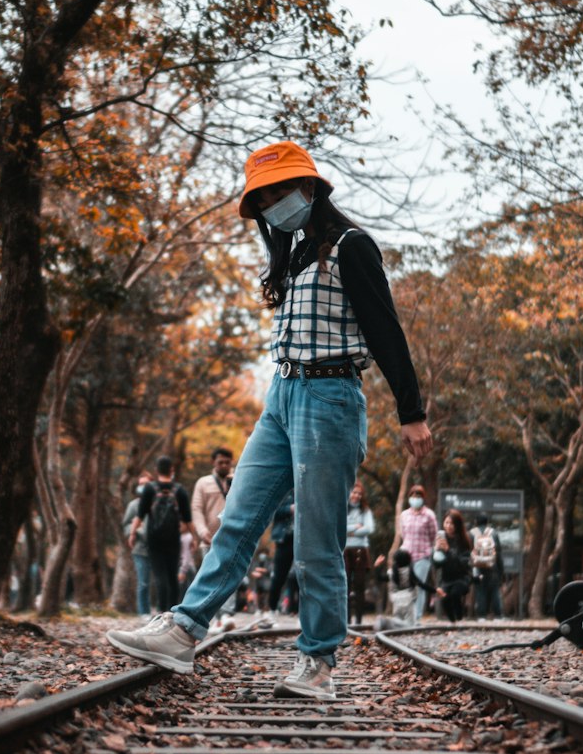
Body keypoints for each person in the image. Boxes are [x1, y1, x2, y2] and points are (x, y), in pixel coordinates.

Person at [106, 138, 432, 699]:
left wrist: (412, 412)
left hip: (330, 399)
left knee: (316, 542)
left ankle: (319, 664)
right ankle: (184, 629)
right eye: (263, 197)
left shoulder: (351, 246)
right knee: (238, 519)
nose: (273, 204)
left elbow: (385, 330)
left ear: (309, 187)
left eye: (279, 190)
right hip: (281, 397)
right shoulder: (294, 252)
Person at [127, 457, 194, 614]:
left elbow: (140, 515)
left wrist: (132, 533)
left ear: (157, 471)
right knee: (172, 576)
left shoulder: (150, 489)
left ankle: (162, 611)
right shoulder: (180, 490)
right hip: (173, 538)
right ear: (172, 470)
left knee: (160, 576)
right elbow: (188, 518)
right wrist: (195, 537)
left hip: (154, 539)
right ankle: (172, 613)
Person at [191, 446, 239, 618]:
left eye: (227, 462)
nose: (224, 465)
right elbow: (196, 508)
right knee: (210, 575)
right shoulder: (203, 483)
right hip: (209, 538)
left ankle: (227, 614)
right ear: (213, 462)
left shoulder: (239, 479)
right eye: (221, 462)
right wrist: (202, 531)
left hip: (231, 536)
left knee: (230, 574)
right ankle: (211, 614)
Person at [380, 484, 439, 623]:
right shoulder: (404, 515)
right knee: (405, 586)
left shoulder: (429, 515)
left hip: (423, 554)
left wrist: (428, 548)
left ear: (423, 498)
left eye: (418, 496)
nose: (415, 498)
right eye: (413, 496)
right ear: (409, 497)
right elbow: (403, 534)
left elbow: (433, 535)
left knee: (419, 586)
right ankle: (404, 615)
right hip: (406, 555)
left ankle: (416, 616)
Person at [121, 472, 153, 614]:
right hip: (140, 549)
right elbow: (126, 525)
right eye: (140, 484)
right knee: (143, 583)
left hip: (159, 548)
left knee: (161, 583)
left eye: (146, 484)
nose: (143, 487)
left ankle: (163, 612)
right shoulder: (133, 505)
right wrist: (137, 531)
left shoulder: (158, 502)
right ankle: (144, 613)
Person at [345, 482, 375, 626]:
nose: (356, 495)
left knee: (359, 585)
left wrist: (349, 531)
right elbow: (339, 527)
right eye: (354, 492)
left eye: (359, 493)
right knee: (345, 586)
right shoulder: (343, 508)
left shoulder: (365, 510)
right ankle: (346, 619)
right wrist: (355, 527)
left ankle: (358, 620)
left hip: (360, 550)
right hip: (345, 550)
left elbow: (369, 529)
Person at [435, 507, 472, 622]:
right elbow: (436, 565)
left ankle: (460, 620)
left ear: (458, 525)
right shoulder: (441, 539)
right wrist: (436, 552)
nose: (448, 526)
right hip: (446, 579)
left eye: (452, 523)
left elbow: (462, 563)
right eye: (446, 522)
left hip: (462, 578)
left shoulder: (464, 540)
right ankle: (453, 623)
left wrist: (448, 550)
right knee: (445, 600)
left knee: (455, 594)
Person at [267, 491, 296, 615]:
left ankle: (300, 613)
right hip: (284, 539)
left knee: (304, 577)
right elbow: (271, 512)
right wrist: (289, 509)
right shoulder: (283, 490)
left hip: (305, 539)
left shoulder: (309, 486)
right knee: (279, 577)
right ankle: (272, 610)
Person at [471, 512, 503, 620]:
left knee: (480, 591)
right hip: (492, 567)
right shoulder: (493, 533)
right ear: (487, 522)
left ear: (476, 522)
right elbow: (498, 553)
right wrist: (501, 571)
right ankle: (498, 616)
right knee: (494, 591)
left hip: (477, 567)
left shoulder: (472, 533)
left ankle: (481, 616)